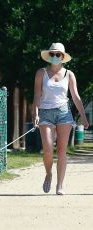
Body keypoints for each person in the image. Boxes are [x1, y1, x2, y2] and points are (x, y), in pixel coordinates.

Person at [32, 42, 89, 195]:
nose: (55, 57)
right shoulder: (41, 73)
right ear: (48, 56)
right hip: (45, 112)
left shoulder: (69, 74)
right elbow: (37, 96)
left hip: (64, 112)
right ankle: (49, 173)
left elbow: (75, 97)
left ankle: (60, 185)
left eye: (58, 54)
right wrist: (35, 113)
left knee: (62, 150)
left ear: (63, 57)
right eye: (52, 54)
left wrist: (83, 117)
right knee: (49, 149)